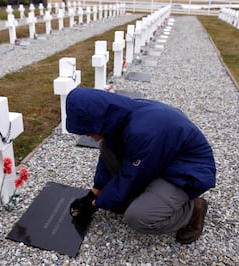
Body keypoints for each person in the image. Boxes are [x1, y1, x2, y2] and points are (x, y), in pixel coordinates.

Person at [66, 88, 216, 244]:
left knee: (139, 217)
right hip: (161, 159)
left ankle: (192, 210)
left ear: (98, 120)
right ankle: (152, 196)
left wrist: (95, 204)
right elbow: (108, 156)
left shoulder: (142, 132)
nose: (91, 138)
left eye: (89, 133)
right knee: (106, 147)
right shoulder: (118, 116)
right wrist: (95, 192)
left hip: (187, 170)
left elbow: (130, 177)